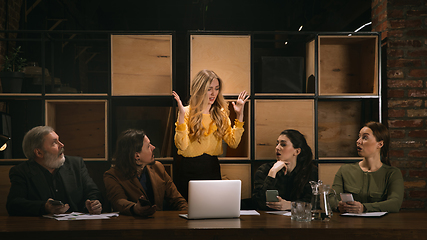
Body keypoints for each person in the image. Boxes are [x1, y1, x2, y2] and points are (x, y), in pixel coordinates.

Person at [172, 69, 249, 200]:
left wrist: (239, 115)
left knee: (213, 209)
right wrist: (181, 117)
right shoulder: (185, 112)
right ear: (199, 89)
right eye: (209, 89)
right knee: (187, 211)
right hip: (188, 168)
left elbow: (233, 143)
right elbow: (182, 146)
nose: (213, 93)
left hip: (211, 167)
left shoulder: (220, 113)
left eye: (217, 88)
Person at [6, 126, 102, 216]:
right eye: (54, 143)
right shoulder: (22, 171)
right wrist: (45, 207)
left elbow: (92, 192)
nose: (62, 145)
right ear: (39, 152)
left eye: (59, 140)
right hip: (41, 229)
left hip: (77, 226)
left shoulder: (75, 164)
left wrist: (93, 204)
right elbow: (14, 204)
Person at [103, 129, 187, 217]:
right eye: (148, 146)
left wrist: (188, 215)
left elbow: (177, 199)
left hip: (159, 223)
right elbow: (118, 202)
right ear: (137, 156)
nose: (153, 147)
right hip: (131, 225)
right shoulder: (112, 175)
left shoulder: (158, 168)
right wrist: (135, 208)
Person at [332, 121, 404, 213]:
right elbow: (331, 198)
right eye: (359, 137)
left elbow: (395, 203)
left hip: (381, 225)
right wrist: (339, 206)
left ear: (380, 144)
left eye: (365, 138)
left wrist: (364, 208)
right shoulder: (345, 170)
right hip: (349, 224)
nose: (358, 141)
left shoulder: (392, 173)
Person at [252, 129, 317, 211]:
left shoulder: (309, 171)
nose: (277, 148)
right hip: (268, 220)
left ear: (297, 151)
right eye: (277, 144)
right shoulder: (265, 170)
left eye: (283, 144)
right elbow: (258, 203)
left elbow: (313, 203)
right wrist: (272, 173)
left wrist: (290, 205)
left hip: (298, 221)